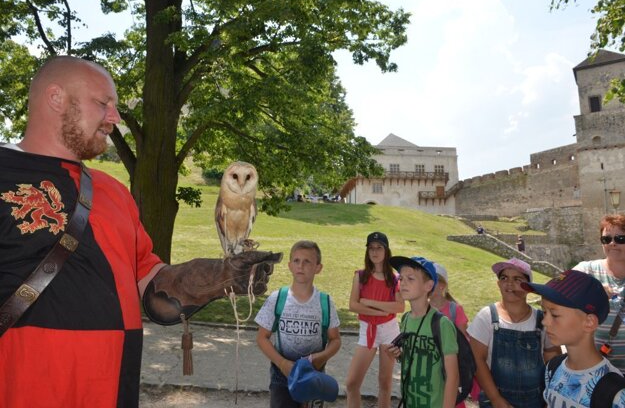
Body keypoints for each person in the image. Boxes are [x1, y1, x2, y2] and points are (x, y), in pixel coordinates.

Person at [0, 56, 277, 408]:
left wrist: (218, 277)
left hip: (114, 392)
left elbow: (148, 283)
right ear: (56, 98)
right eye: (103, 104)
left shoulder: (113, 192)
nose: (115, 118)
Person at [255, 240, 341, 407]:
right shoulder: (277, 298)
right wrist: (282, 363)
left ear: (318, 268)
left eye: (307, 261)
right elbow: (262, 338)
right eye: (296, 261)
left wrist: (321, 357)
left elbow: (335, 340)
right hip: (282, 376)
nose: (301, 265)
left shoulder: (325, 302)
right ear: (290, 265)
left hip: (313, 376)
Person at [521, 269, 625, 407]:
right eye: (544, 312)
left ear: (589, 323)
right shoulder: (553, 368)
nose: (545, 322)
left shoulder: (615, 392)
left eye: (555, 314)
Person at [467, 258, 561, 408]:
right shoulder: (487, 317)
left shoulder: (542, 320)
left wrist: (549, 397)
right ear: (498, 284)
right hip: (495, 400)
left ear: (528, 287)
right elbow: (477, 359)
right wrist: (495, 398)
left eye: (517, 279)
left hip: (535, 401)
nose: (509, 284)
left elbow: (553, 358)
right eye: (504, 278)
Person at [387, 256, 459, 408]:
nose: (403, 283)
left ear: (429, 285)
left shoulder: (442, 324)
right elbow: (414, 356)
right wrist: (399, 355)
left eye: (411, 278)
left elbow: (453, 376)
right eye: (401, 278)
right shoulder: (406, 319)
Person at [345, 232, 405, 408]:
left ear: (386, 251)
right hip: (368, 330)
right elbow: (353, 305)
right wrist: (383, 310)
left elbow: (400, 307)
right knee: (351, 383)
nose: (375, 252)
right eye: (371, 248)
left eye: (379, 247)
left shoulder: (395, 279)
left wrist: (369, 303)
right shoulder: (360, 276)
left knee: (385, 383)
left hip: (389, 330)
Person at [574, 214, 625, 373]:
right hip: (594, 370)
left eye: (620, 238)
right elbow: (556, 292)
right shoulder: (587, 270)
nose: (613, 244)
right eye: (606, 239)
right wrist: (590, 291)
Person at [430, 262, 476, 408]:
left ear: (442, 286)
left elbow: (462, 344)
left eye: (431, 281)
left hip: (449, 369)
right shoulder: (422, 309)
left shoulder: (455, 310)